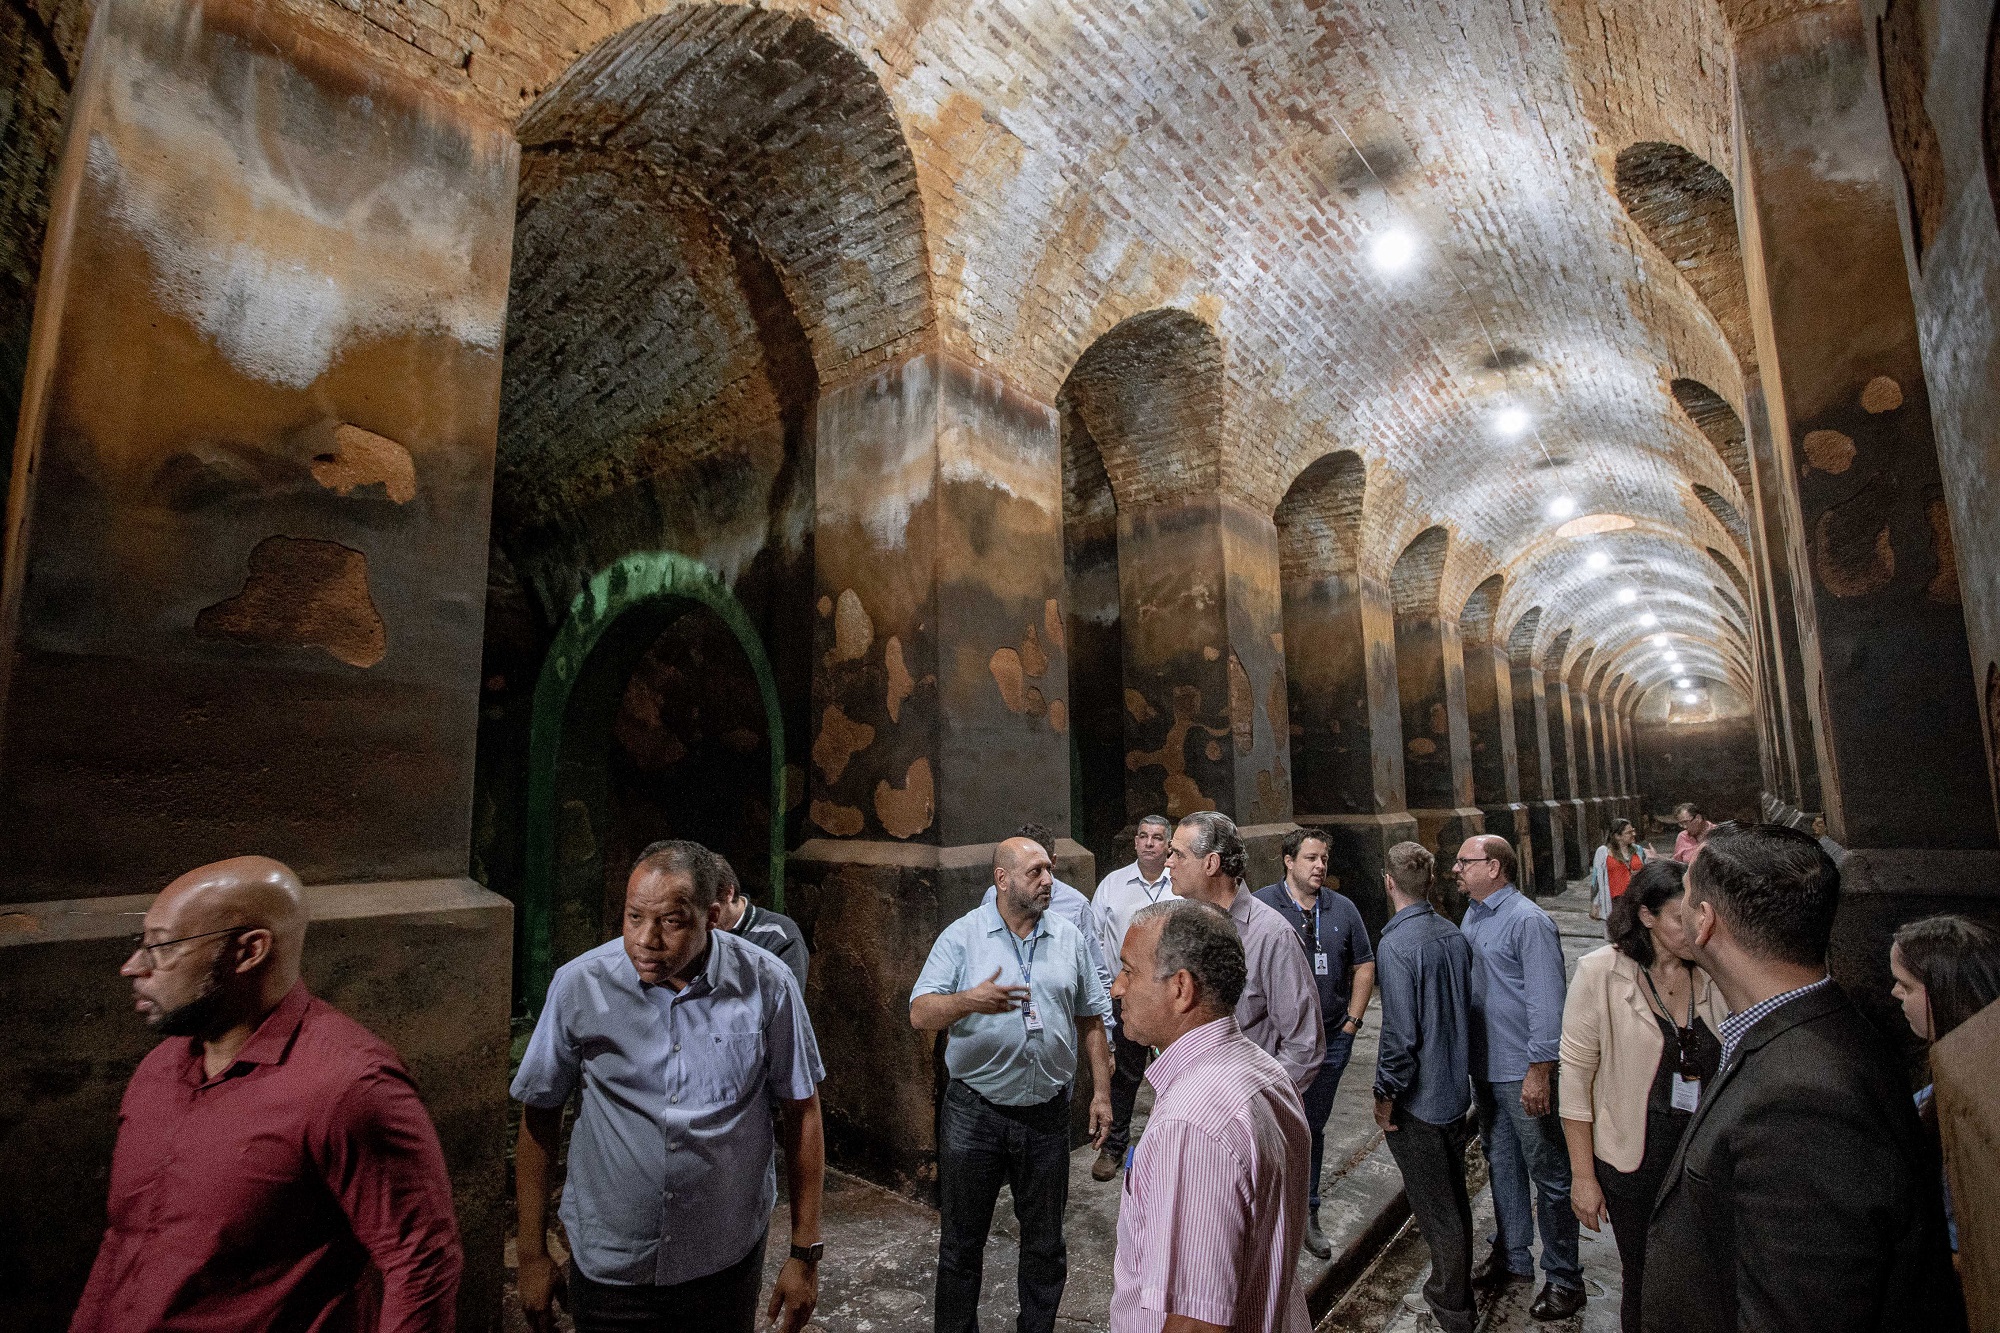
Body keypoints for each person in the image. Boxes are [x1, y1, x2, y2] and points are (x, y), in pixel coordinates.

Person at [73, 857, 461, 1333]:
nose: (133, 967)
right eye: (141, 944)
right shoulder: (159, 1070)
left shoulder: (348, 1087)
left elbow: (421, 1263)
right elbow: (124, 1241)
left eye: (162, 947)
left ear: (249, 951)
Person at [1644, 823, 1965, 1333]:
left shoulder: (1803, 1101)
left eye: (1685, 894)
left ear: (1705, 921)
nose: (1679, 908)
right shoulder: (1814, 1027)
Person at [512, 840, 826, 1333]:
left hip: (724, 1262)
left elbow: (802, 1110)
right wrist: (531, 1253)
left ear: (713, 916)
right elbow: (539, 1115)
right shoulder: (580, 986)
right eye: (634, 917)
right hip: (613, 1266)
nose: (646, 939)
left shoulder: (768, 983)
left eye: (671, 922)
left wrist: (804, 1253)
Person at [912, 836, 1113, 1333]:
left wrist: (1102, 1094)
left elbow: (1092, 1017)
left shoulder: (1069, 937)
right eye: (1035, 872)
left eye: (1050, 870)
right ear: (1002, 879)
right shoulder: (962, 936)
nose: (1048, 881)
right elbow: (920, 1013)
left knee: (1045, 1244)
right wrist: (968, 1001)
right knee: (961, 1245)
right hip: (974, 1114)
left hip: (1046, 1115)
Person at [1108, 898, 1311, 1333]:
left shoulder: (1193, 1124)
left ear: (1180, 988)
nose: (1116, 988)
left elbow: (1197, 1323)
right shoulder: (1266, 1071)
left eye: (1129, 971)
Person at [1557, 859, 1724, 1333]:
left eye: (1698, 916)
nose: (1692, 930)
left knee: (1704, 1281)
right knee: (1646, 1279)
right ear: (1646, 916)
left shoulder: (1712, 969)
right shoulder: (1600, 972)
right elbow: (1575, 1078)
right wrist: (1583, 1178)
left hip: (1704, 1160)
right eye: (1678, 918)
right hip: (1635, 1163)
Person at [1455, 834, 1582, 1321]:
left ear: (1494, 867)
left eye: (1464, 862)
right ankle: (1513, 1257)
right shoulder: (1474, 915)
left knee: (1548, 1171)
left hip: (1521, 1070)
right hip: (1486, 1067)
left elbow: (1548, 1003)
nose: (1456, 869)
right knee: (1501, 1161)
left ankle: (1565, 1277)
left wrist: (1539, 1071)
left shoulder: (1528, 921)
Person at [1253, 826, 1375, 1257]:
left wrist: (1352, 1023)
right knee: (1266, 1127)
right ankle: (1266, 1209)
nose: (1320, 866)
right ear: (1288, 861)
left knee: (1310, 1126)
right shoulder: (1263, 906)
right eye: (1311, 858)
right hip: (1275, 1043)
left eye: (1324, 858)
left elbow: (1363, 964)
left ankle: (1307, 1210)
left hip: (1330, 1039)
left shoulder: (1342, 908)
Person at [1371, 842, 1477, 1333]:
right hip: (1454, 1091)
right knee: (1453, 1198)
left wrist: (1385, 1097)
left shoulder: (1396, 945)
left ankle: (1452, 1309)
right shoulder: (1453, 933)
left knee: (1437, 1210)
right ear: (1431, 882)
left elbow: (1400, 1037)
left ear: (1388, 882)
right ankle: (1450, 1290)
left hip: (1420, 1102)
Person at [1168, 810, 1325, 1093]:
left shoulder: (1272, 936)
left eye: (1179, 854)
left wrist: (1255, 1101)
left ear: (1211, 863)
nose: (1169, 862)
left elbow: (1304, 1046)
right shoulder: (1181, 925)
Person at [1889, 913, 2000, 1256]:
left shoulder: (1979, 1096)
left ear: (1945, 993)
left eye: (1906, 986)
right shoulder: (1937, 1087)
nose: (1894, 993)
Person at [1090, 814, 1174, 1181]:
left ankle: (1170, 1145)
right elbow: (1095, 940)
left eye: (1157, 837)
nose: (1149, 843)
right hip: (1125, 997)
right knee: (1125, 1075)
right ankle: (1114, 1145)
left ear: (1168, 844)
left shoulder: (1180, 885)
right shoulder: (1112, 885)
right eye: (1143, 836)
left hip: (1171, 1000)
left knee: (1175, 1074)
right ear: (1136, 842)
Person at [983, 821, 1115, 1014]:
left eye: (1044, 867)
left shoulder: (1076, 907)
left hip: (1056, 1014)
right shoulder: (993, 896)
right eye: (1033, 869)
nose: (1046, 880)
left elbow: (1096, 973)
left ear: (1053, 861)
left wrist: (1105, 1027)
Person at [714, 850, 811, 990]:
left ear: (728, 893)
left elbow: (787, 999)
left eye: (706, 909)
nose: (701, 920)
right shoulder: (697, 933)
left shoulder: (780, 936)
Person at [1589, 818, 1647, 922]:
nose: (1633, 834)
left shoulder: (1638, 850)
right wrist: (1595, 904)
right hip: (1616, 901)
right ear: (1617, 836)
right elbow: (1596, 880)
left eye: (1633, 830)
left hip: (1636, 899)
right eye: (1629, 832)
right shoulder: (1603, 852)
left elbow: (1646, 872)